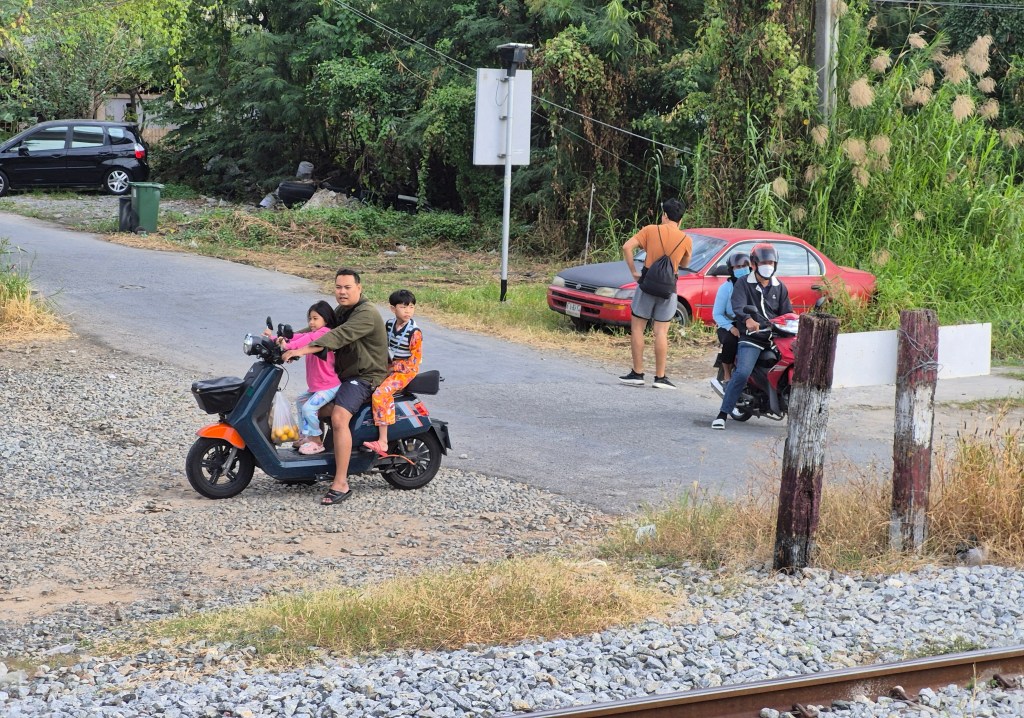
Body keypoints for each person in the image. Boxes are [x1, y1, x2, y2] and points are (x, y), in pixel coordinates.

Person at [283, 268, 389, 505]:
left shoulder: (366, 313)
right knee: (312, 406)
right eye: (338, 287)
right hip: (344, 375)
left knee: (339, 417)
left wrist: (302, 350)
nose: (342, 292)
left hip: (365, 376)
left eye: (347, 287)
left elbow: (339, 335)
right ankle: (315, 454)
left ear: (359, 288)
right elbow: (318, 329)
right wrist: (286, 341)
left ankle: (341, 482)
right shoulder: (342, 311)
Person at [711, 243, 793, 430]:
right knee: (742, 372)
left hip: (776, 337)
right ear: (754, 264)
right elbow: (739, 306)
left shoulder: (779, 286)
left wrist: (793, 322)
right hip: (752, 337)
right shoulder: (742, 283)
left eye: (771, 263)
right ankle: (722, 414)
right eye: (764, 263)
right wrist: (747, 319)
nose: (768, 266)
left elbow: (787, 312)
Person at [618, 198, 692, 389]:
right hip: (669, 288)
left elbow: (626, 247)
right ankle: (660, 377)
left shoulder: (650, 230)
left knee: (638, 328)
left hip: (647, 284)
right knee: (661, 332)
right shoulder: (686, 239)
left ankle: (637, 373)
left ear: (664, 215)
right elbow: (684, 263)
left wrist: (633, 272)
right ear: (680, 219)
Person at [362, 289, 423, 456]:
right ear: (392, 309)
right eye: (403, 307)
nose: (408, 311)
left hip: (405, 371)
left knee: (381, 394)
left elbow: (415, 362)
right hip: (389, 366)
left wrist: (394, 368)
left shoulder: (414, 332)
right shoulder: (389, 325)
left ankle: (383, 441)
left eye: (411, 307)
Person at [276, 301, 341, 455]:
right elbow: (298, 337)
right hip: (318, 387)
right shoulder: (313, 333)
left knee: (309, 408)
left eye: (315, 318)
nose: (311, 322)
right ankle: (305, 436)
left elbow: (304, 341)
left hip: (329, 386)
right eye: (310, 319)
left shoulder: (324, 333)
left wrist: (288, 347)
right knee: (300, 401)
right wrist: (273, 339)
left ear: (326, 319)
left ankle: (316, 441)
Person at [709, 252, 751, 393]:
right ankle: (727, 375)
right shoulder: (726, 288)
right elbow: (717, 314)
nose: (741, 269)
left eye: (744, 266)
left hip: (748, 321)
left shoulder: (753, 285)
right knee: (731, 341)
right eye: (737, 267)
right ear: (731, 270)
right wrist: (731, 328)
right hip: (728, 323)